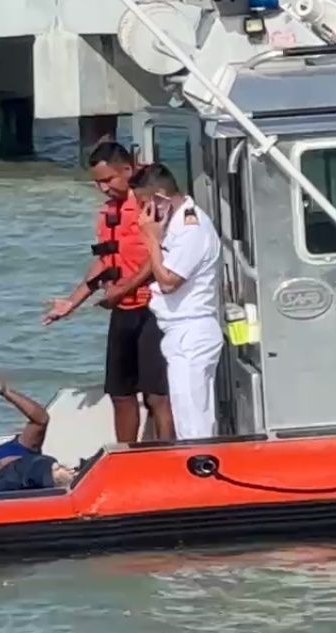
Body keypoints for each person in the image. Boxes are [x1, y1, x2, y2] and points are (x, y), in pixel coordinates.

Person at [43, 141, 174, 443]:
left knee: (157, 396)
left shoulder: (149, 202)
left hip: (155, 309)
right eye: (97, 183)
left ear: (127, 171)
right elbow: (105, 261)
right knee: (120, 393)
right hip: (122, 310)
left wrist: (124, 288)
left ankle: (168, 454)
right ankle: (125, 455)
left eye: (108, 180)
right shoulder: (106, 213)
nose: (103, 188)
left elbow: (162, 257)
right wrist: (72, 302)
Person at [129, 163, 224, 440]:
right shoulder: (175, 223)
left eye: (146, 204)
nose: (143, 214)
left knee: (194, 420)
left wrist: (151, 240)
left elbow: (169, 281)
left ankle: (202, 467)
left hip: (192, 329)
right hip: (178, 330)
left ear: (160, 196)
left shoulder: (190, 227)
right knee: (186, 415)